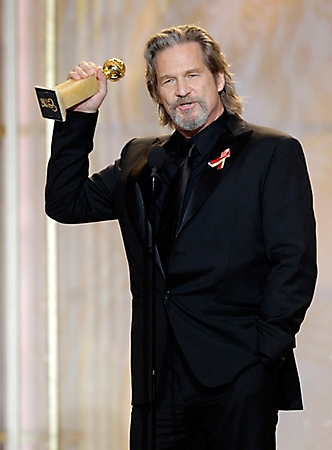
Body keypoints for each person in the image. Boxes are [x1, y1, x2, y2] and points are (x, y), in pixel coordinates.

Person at [45, 24, 317, 450]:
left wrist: (262, 357)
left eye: (192, 75)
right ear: (157, 94)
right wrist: (81, 117)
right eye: (168, 80)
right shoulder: (141, 158)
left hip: (237, 378)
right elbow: (65, 202)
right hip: (157, 382)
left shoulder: (270, 153)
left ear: (219, 80)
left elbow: (294, 263)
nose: (182, 90)